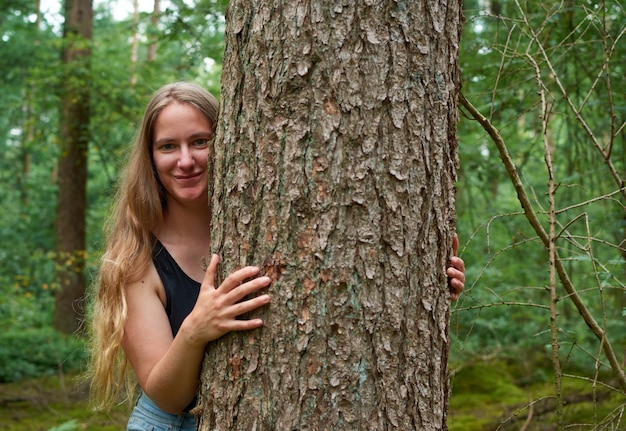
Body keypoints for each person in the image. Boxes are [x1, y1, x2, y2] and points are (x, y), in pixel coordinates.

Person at [89, 81, 466, 431]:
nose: (186, 160)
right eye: (168, 146)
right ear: (151, 157)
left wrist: (419, 281)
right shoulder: (137, 259)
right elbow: (166, 395)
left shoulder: (262, 218)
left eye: (200, 141)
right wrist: (194, 330)